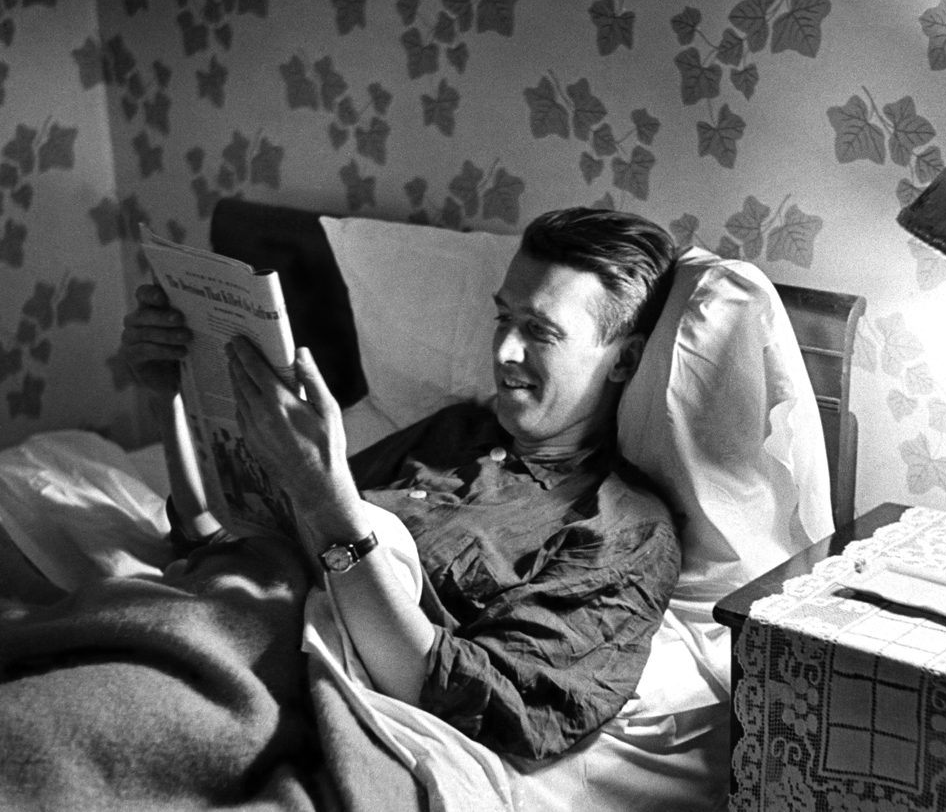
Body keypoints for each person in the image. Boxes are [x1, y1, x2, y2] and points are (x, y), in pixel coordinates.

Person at [122, 206, 682, 761]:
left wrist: (326, 498)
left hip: (298, 700)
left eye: (540, 331)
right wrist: (172, 394)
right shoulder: (453, 432)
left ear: (624, 359)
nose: (505, 352)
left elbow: (491, 706)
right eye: (502, 319)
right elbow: (236, 542)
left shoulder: (621, 529)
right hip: (224, 623)